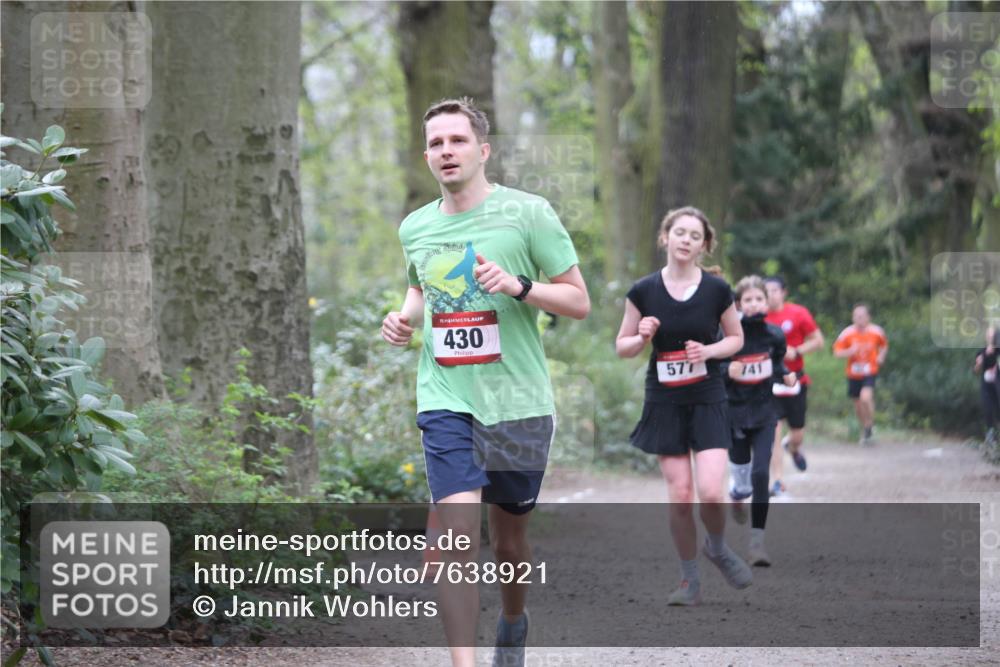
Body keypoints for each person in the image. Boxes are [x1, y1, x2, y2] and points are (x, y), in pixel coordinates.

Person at [381, 97, 589, 667]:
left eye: (457, 140)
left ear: (483, 150)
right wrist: (404, 318)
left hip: (517, 401)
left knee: (508, 542)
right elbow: (421, 289)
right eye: (436, 144)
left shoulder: (528, 214)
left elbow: (579, 301)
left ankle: (514, 620)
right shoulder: (415, 227)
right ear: (426, 156)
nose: (446, 151)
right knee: (454, 540)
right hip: (447, 398)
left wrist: (521, 286)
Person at [616, 206, 751, 606]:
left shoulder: (716, 291)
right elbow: (622, 346)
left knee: (711, 491)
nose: (686, 239)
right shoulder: (643, 291)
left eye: (695, 235)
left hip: (707, 396)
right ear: (666, 237)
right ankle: (689, 581)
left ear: (704, 245)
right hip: (665, 401)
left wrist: (708, 350)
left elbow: (736, 339)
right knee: (680, 493)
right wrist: (641, 338)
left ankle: (718, 547)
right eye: (680, 232)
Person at [723, 276, 797, 567]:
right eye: (748, 300)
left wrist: (786, 374)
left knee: (761, 474)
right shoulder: (729, 335)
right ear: (739, 304)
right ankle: (737, 493)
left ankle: (756, 544)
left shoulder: (775, 335)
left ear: (767, 302)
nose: (754, 304)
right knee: (742, 480)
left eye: (759, 299)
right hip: (735, 415)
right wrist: (729, 370)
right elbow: (713, 370)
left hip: (765, 413)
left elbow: (776, 363)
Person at [763, 276, 824, 496]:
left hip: (796, 379)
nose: (770, 294)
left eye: (774, 290)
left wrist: (797, 351)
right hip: (769, 381)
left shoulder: (798, 313)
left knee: (797, 433)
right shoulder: (756, 316)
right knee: (773, 432)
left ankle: (794, 447)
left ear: (783, 292)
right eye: (766, 290)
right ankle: (777, 480)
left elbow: (818, 340)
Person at [832, 304, 888, 446]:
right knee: (858, 404)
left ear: (868, 317)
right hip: (853, 373)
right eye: (855, 316)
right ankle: (866, 428)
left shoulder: (877, 331)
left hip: (870, 371)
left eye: (861, 316)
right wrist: (849, 351)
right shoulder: (847, 333)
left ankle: (870, 424)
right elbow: (837, 352)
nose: (858, 319)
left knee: (865, 397)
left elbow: (884, 345)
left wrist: (881, 356)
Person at [974, 326, 999, 445]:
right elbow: (976, 370)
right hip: (986, 386)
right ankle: (990, 435)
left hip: (997, 386)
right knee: (988, 409)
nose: (990, 337)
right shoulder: (981, 352)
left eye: (992, 335)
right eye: (988, 335)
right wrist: (979, 364)